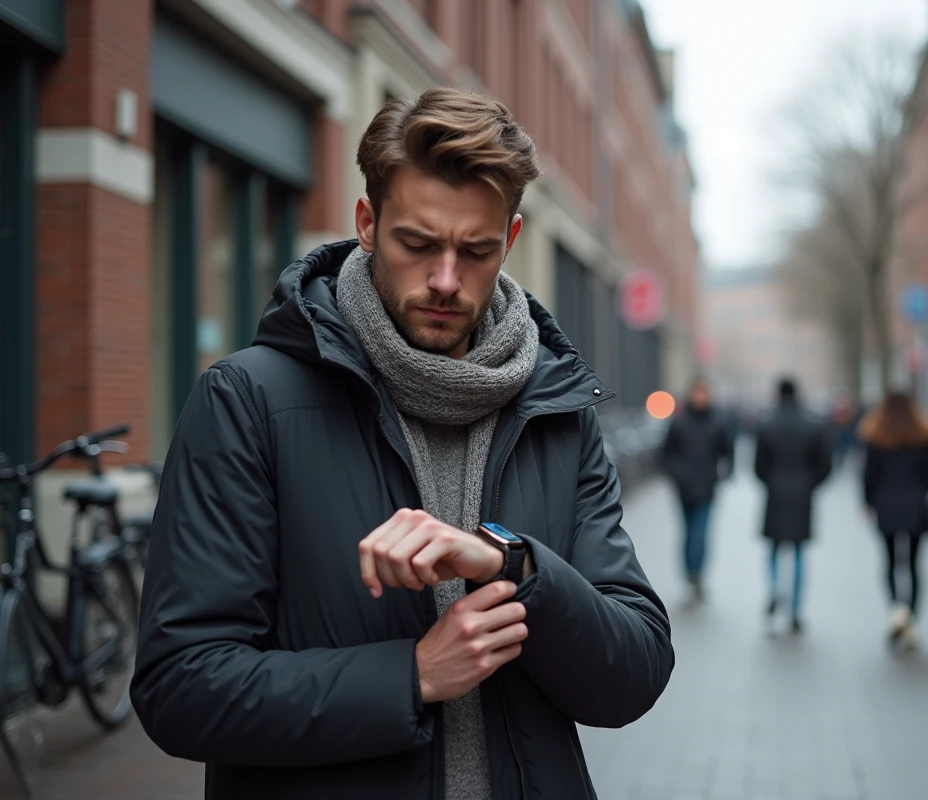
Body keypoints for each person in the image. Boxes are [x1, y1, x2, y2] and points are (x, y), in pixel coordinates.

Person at [131, 89, 674, 800]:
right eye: (417, 244)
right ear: (366, 223)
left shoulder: (558, 413)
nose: (445, 280)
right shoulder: (247, 401)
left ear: (508, 243)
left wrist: (512, 565)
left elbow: (632, 674)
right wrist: (412, 675)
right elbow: (180, 688)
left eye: (475, 251)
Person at [860, 392, 928, 650]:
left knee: (891, 562)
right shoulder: (922, 435)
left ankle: (897, 614)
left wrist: (869, 501)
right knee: (915, 565)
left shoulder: (877, 435)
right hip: (915, 505)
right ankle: (911, 619)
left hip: (886, 505)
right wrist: (918, 491)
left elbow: (868, 474)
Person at [754, 378, 833, 634]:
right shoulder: (813, 424)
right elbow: (825, 465)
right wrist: (809, 484)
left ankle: (777, 588)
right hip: (802, 494)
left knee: (775, 548)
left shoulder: (767, 424)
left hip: (776, 493)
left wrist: (771, 482)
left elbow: (758, 465)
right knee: (799, 551)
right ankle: (796, 609)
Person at [661, 377, 734, 601]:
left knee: (701, 532)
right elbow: (665, 455)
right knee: (688, 531)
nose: (701, 397)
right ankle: (689, 572)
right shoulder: (679, 422)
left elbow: (728, 452)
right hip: (684, 488)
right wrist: (677, 475)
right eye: (698, 393)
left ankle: (697, 574)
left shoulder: (717, 422)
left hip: (707, 487)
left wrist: (722, 474)